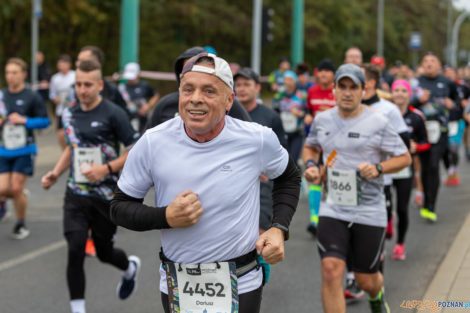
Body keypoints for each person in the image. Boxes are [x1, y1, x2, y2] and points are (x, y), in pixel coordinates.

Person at [110, 52, 301, 313]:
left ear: (228, 100)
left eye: (209, 91)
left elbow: (289, 176)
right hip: (178, 280)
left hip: (241, 277)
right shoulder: (153, 142)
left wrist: (278, 228)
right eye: (188, 89)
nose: (195, 98)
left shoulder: (256, 139)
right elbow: (119, 207)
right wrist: (165, 216)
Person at [302, 63, 411, 313]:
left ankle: (376, 296)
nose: (348, 92)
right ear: (334, 90)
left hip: (369, 209)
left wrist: (379, 168)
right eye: (343, 86)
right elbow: (311, 147)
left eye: (354, 87)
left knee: (366, 279)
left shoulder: (378, 122)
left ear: (364, 90)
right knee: (331, 269)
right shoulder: (323, 120)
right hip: (333, 207)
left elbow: (404, 158)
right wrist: (310, 165)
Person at [41, 59, 141, 313]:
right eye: (78, 84)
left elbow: (134, 151)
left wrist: (105, 169)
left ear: (99, 85)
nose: (82, 89)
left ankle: (129, 268)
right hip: (75, 194)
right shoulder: (69, 112)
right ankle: (78, 309)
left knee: (104, 252)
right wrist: (54, 173)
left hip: (106, 196)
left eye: (88, 84)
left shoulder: (114, 113)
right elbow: (72, 149)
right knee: (75, 249)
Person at [0, 58, 50, 238]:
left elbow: (45, 122)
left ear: (23, 75)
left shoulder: (32, 96)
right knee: (2, 189)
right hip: (4, 150)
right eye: (7, 73)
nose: (10, 77)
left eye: (14, 73)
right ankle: (12, 200)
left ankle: (21, 224)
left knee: (14, 188)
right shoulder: (1, 96)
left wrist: (25, 121)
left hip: (25, 149)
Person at [234, 67, 287, 232]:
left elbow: (282, 154)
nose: (241, 89)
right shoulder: (224, 116)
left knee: (259, 232)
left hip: (262, 186)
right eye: (238, 85)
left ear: (257, 88)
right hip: (233, 182)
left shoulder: (271, 117)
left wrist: (268, 171)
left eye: (246, 84)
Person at [147, 46, 251, 128]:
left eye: (209, 91)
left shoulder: (230, 104)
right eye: (187, 67)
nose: (196, 99)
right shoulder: (165, 104)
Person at [411, 52, 459, 222]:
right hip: (421, 131)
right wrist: (418, 100)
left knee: (433, 165)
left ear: (439, 65)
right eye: (426, 61)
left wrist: (452, 105)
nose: (429, 64)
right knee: (424, 167)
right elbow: (407, 103)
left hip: (440, 131)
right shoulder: (416, 82)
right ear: (422, 65)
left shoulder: (447, 82)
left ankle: (431, 204)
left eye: (433, 61)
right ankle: (425, 199)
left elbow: (458, 102)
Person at [390, 80, 430, 260]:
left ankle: (400, 244)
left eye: (403, 91)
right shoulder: (383, 113)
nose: (399, 94)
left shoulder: (417, 116)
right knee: (383, 206)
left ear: (409, 94)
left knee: (402, 208)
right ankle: (385, 228)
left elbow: (426, 142)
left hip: (405, 169)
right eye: (396, 90)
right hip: (385, 167)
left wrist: (416, 147)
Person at [304, 58, 336, 236]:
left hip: (335, 144)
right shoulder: (312, 91)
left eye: (327, 71)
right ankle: (314, 219)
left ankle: (330, 218)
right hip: (316, 141)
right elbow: (308, 110)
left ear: (333, 74)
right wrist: (308, 117)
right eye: (320, 71)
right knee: (315, 177)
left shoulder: (337, 92)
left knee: (329, 178)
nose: (323, 74)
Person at [73, 46, 129, 115]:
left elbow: (125, 114)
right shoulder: (73, 88)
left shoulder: (111, 89)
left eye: (83, 61)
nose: (78, 64)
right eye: (78, 85)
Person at [272, 70, 306, 163]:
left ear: (295, 81)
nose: (287, 82)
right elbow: (274, 111)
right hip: (282, 132)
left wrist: (300, 113)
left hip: (297, 132)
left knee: (293, 160)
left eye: (290, 79)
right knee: (283, 160)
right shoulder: (279, 95)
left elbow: (307, 113)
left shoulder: (302, 95)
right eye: (285, 79)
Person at [442, 65, 468, 185]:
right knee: (444, 150)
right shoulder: (440, 86)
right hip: (442, 122)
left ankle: (454, 169)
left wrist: (465, 108)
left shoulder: (462, 87)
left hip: (457, 121)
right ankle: (449, 170)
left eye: (451, 72)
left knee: (453, 148)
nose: (449, 75)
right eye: (446, 73)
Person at [119, 62, 159, 134]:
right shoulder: (122, 88)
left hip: (143, 121)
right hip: (127, 120)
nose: (130, 79)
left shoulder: (144, 85)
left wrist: (148, 106)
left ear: (139, 74)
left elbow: (155, 95)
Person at [49, 54, 75, 149]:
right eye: (59, 64)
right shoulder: (55, 78)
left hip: (74, 109)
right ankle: (65, 152)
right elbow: (52, 94)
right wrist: (55, 99)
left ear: (69, 64)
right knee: (61, 134)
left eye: (63, 63)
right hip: (61, 110)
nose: (61, 66)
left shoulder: (74, 75)